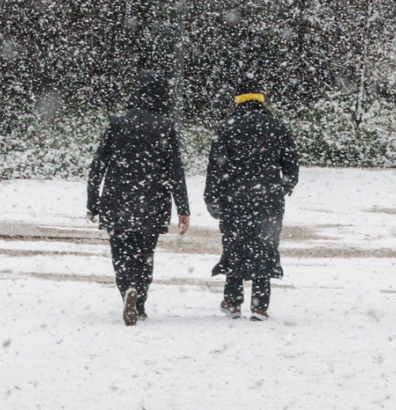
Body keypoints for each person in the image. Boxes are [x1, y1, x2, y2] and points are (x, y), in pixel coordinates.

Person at [87, 70, 190, 326]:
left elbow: (98, 164)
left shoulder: (118, 122)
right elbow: (174, 170)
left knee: (121, 252)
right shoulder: (164, 126)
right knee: (145, 253)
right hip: (152, 199)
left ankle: (127, 288)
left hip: (117, 198)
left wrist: (93, 200)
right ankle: (140, 301)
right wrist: (183, 208)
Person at [204, 74, 298, 321]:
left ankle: (233, 301)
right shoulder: (277, 126)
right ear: (261, 99)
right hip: (268, 200)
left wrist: (211, 197)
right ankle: (259, 306)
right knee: (265, 247)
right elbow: (291, 167)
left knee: (235, 245)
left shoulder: (227, 127)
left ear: (238, 100)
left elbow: (215, 167)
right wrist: (281, 188)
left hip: (234, 198)